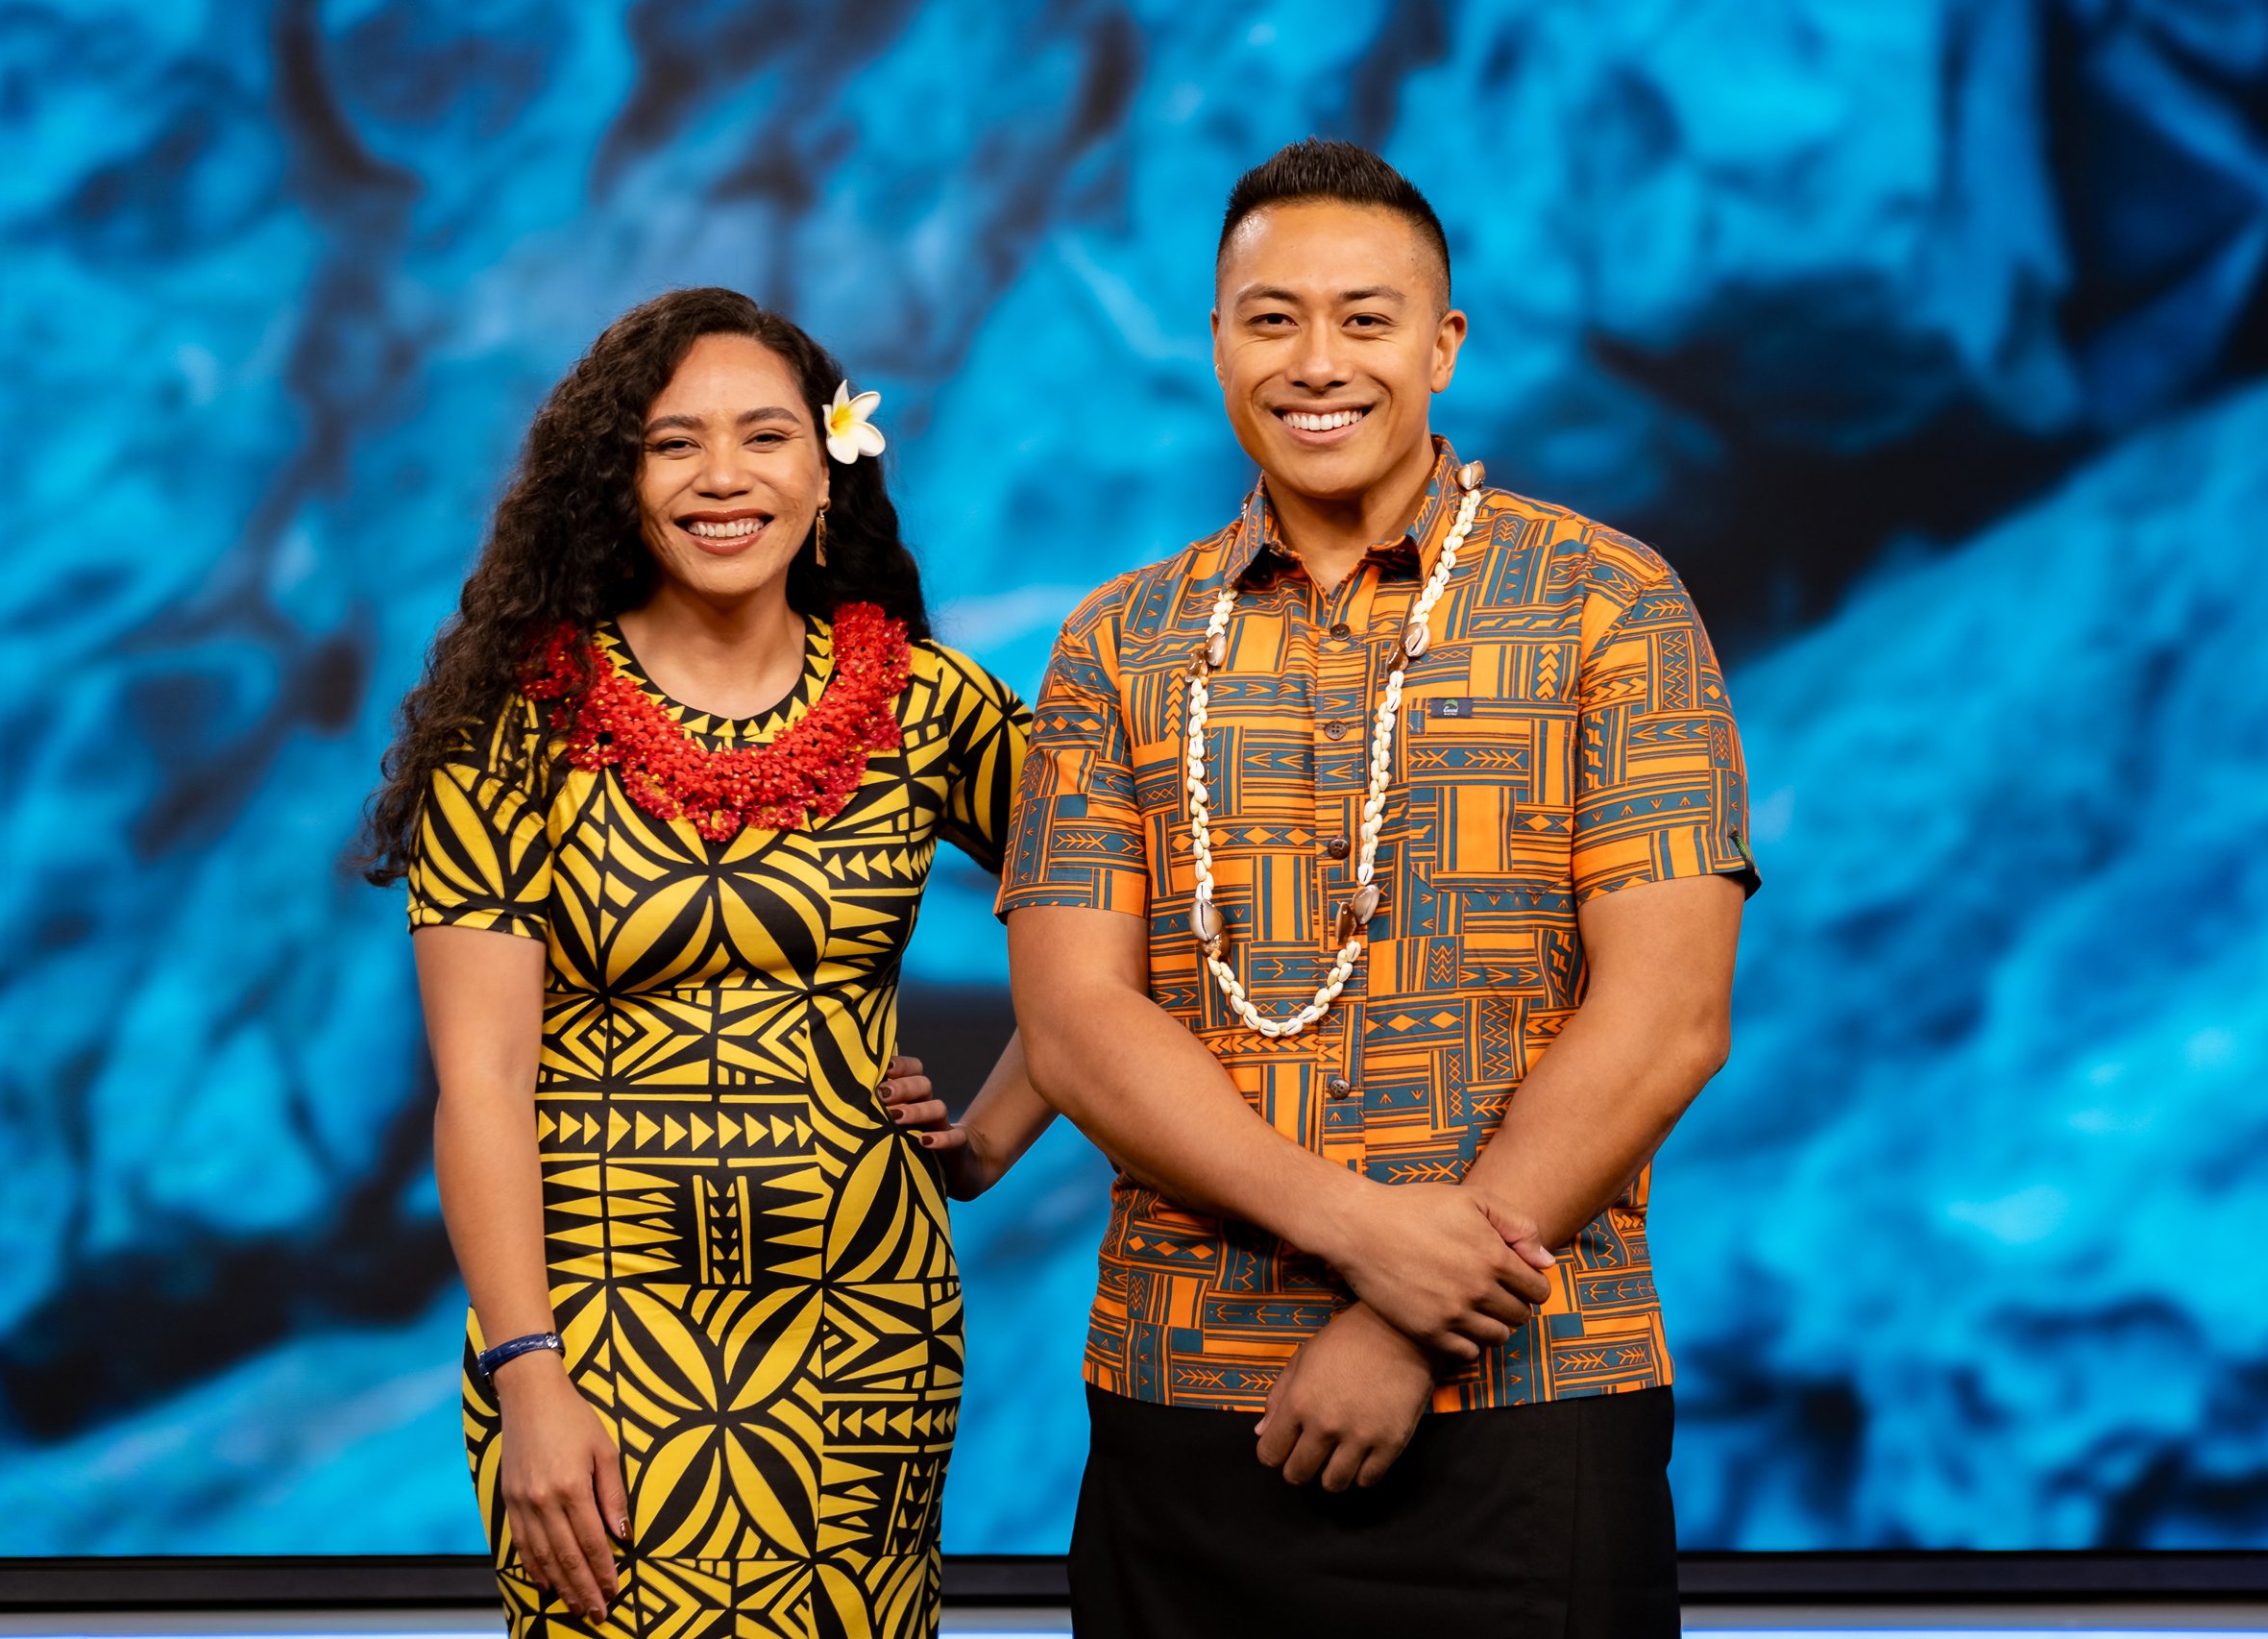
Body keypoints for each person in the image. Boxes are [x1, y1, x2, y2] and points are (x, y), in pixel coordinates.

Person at [998, 139, 1760, 1637]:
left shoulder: (1608, 602)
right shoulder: (1117, 641)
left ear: (1442, 343)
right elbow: (1078, 1024)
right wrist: (1361, 1233)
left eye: (1366, 317)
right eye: (1272, 319)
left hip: (1532, 1394)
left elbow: (1668, 1015)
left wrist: (1409, 1330)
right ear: (1217, 339)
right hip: (1182, 1396)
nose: (1317, 362)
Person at [359, 287, 1055, 1639]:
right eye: (673, 443)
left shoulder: (930, 707)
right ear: (614, 481)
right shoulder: (519, 728)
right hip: (592, 1338)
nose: (722, 477)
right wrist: (527, 1373)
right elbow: (483, 1080)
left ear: (828, 467)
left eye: (764, 436)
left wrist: (988, 1137)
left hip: (869, 1328)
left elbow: (1123, 919)